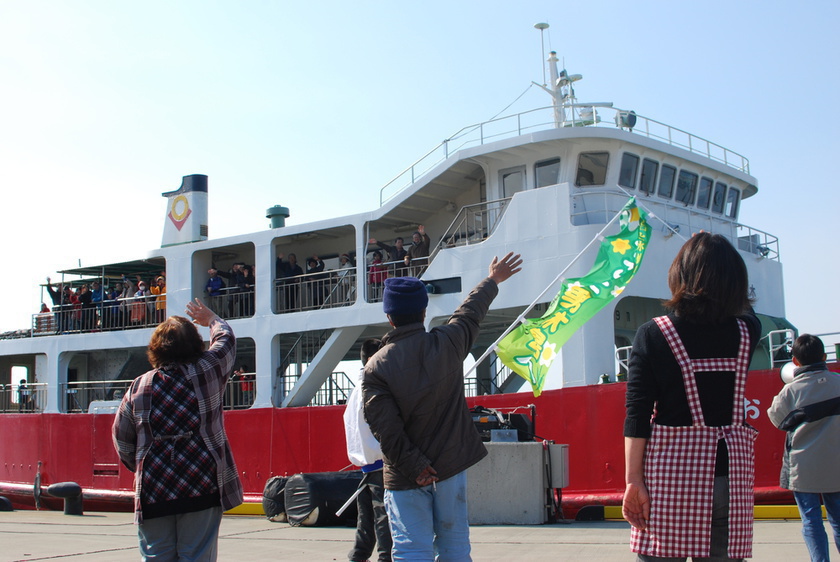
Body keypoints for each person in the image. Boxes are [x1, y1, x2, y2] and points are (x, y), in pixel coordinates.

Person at [363, 251, 522, 560]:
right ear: (424, 312)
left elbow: (387, 431)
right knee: (455, 547)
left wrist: (416, 467)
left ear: (389, 316)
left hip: (405, 476)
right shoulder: (448, 342)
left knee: (411, 551)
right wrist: (492, 279)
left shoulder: (375, 367)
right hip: (450, 469)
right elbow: (470, 312)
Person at [623, 232, 761, 561]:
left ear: (679, 274)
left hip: (670, 480)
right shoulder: (747, 331)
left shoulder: (654, 334)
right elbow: (746, 309)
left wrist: (633, 481)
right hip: (730, 479)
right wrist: (719, 260)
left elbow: (637, 415)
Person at [112, 298, 243, 561]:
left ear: (156, 349)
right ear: (195, 346)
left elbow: (121, 439)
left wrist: (143, 464)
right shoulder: (208, 369)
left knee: (156, 556)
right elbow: (226, 340)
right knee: (196, 555)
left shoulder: (139, 385)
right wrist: (212, 320)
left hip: (154, 485)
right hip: (201, 481)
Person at [767, 334, 840, 562]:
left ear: (796, 362)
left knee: (811, 520)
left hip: (803, 466)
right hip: (836, 464)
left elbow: (777, 420)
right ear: (824, 356)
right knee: (838, 519)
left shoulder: (790, 391)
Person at [344, 338, 392, 562]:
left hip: (365, 465)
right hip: (381, 463)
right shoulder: (375, 386)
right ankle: (386, 558)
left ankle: (357, 558)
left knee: (365, 522)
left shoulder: (356, 388)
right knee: (384, 519)